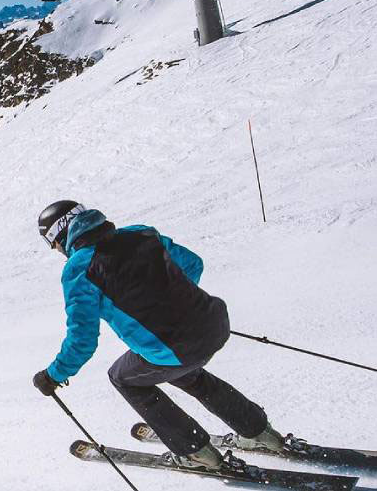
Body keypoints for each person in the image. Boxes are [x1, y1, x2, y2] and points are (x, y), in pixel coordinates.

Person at [31, 200, 284, 469]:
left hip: (172, 345)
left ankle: (193, 450)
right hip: (213, 323)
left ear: (60, 233)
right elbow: (193, 264)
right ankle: (259, 431)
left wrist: (53, 376)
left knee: (123, 377)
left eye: (53, 244)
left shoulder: (79, 269)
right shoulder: (140, 233)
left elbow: (82, 341)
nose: (57, 250)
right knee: (186, 371)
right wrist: (174, 305)